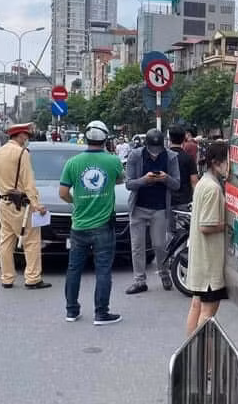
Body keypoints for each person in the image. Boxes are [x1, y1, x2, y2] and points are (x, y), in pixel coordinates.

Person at [59, 120, 124, 325]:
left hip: (78, 225)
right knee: (103, 270)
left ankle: (71, 310)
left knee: (74, 268)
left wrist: (77, 201)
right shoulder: (113, 161)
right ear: (105, 139)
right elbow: (120, 180)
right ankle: (101, 313)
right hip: (104, 225)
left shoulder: (73, 163)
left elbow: (63, 193)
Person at [0, 122, 51, 289]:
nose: (26, 138)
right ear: (19, 135)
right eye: (25, 135)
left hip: (4, 202)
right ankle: (32, 278)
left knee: (6, 240)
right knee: (31, 241)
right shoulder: (21, 153)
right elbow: (28, 182)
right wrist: (37, 204)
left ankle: (7, 278)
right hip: (21, 205)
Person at [124, 128, 180, 294]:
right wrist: (144, 180)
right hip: (138, 207)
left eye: (158, 150)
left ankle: (164, 273)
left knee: (159, 244)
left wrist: (165, 178)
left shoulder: (171, 157)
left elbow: (176, 184)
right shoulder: (135, 156)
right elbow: (129, 183)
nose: (155, 154)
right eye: (152, 150)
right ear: (146, 146)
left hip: (160, 208)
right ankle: (139, 280)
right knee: (137, 246)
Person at [185, 142, 230, 336]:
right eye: (228, 162)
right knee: (207, 313)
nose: (229, 166)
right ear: (216, 163)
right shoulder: (213, 188)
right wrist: (227, 226)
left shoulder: (204, 182)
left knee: (196, 306)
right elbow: (206, 226)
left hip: (200, 260)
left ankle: (189, 355)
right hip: (209, 263)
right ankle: (201, 359)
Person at [168, 125, 199, 207]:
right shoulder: (188, 158)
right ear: (183, 139)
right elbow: (194, 182)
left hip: (166, 202)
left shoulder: (163, 157)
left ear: (170, 139)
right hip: (184, 201)